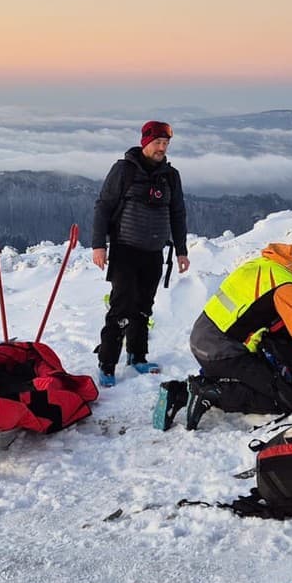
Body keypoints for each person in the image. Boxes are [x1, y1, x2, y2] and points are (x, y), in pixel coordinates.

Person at [168, 230, 292, 431]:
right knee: (289, 401)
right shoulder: (286, 286)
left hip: (203, 340)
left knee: (266, 379)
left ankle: (181, 391)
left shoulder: (264, 265)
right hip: (221, 352)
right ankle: (209, 393)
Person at [91, 120, 190, 387]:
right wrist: (98, 245)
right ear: (145, 142)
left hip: (154, 252)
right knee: (121, 307)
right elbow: (103, 207)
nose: (162, 148)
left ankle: (137, 355)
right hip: (125, 249)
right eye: (157, 142)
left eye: (166, 143)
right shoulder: (124, 171)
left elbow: (177, 213)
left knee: (144, 307)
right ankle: (107, 363)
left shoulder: (170, 176)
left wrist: (181, 250)